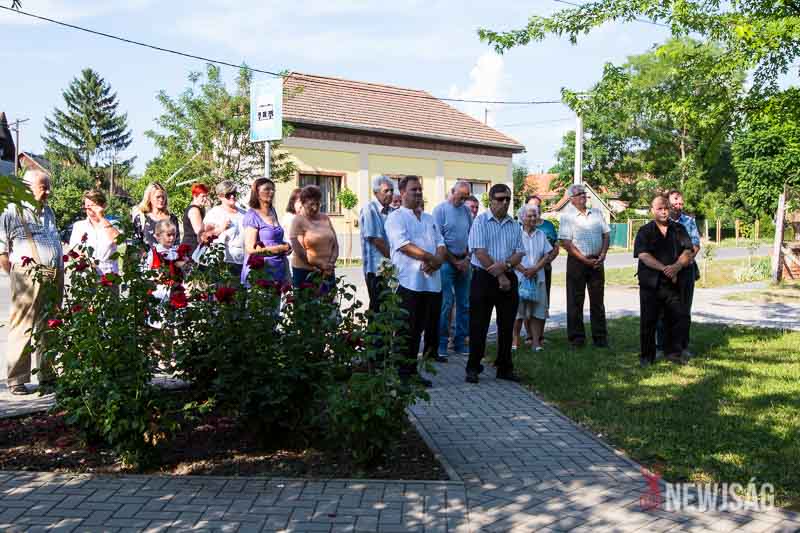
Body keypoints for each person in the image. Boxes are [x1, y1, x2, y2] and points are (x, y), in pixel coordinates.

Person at [0, 170, 64, 395]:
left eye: (48, 187)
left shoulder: (49, 211)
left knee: (51, 325)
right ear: (27, 187)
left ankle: (48, 375)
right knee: (23, 325)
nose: (48, 192)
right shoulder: (12, 211)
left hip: (54, 273)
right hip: (27, 274)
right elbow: (2, 251)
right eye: (44, 187)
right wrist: (17, 274)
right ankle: (17, 380)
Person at [385, 176, 446, 388]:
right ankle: (401, 375)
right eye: (414, 190)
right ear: (402, 193)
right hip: (408, 282)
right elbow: (403, 245)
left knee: (419, 329)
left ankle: (412, 372)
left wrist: (437, 261)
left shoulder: (429, 218)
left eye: (420, 189)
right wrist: (431, 258)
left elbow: (441, 243)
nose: (418, 193)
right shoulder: (396, 217)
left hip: (431, 283)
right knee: (405, 330)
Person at [465, 184, 525, 384]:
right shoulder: (480, 221)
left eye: (508, 199)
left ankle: (504, 367)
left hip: (509, 276)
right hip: (484, 278)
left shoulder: (514, 224)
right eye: (500, 199)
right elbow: (480, 252)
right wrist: (500, 276)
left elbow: (519, 252)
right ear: (490, 200)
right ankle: (473, 367)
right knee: (479, 325)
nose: (505, 202)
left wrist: (506, 265)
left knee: (507, 326)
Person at [634, 195, 694, 367]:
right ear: (652, 210)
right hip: (651, 283)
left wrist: (677, 267)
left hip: (674, 282)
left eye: (666, 208)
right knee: (649, 320)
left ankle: (674, 353)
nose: (663, 211)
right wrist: (666, 269)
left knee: (676, 318)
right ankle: (647, 357)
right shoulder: (645, 231)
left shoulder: (679, 229)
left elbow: (688, 251)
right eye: (659, 208)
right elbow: (643, 255)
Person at [558, 184, 610, 348]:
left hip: (597, 261)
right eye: (579, 194)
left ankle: (600, 338)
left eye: (584, 193)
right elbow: (566, 243)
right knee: (575, 301)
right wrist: (584, 260)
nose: (583, 196)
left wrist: (603, 254)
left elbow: (606, 234)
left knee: (598, 301)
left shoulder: (597, 213)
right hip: (577, 263)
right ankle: (577, 339)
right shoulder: (567, 217)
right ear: (571, 199)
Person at [657, 189, 701, 357]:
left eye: (681, 201)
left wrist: (680, 264)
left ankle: (682, 346)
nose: (678, 204)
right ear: (667, 203)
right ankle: (661, 346)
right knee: (663, 310)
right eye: (675, 201)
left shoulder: (689, 221)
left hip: (686, 271)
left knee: (684, 310)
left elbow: (695, 245)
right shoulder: (661, 222)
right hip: (665, 271)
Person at [432, 181, 472, 360]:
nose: (462, 200)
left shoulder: (466, 211)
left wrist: (466, 259)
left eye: (466, 197)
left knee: (464, 303)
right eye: (460, 196)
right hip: (447, 263)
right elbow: (438, 240)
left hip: (464, 261)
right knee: (446, 303)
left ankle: (460, 341)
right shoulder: (440, 210)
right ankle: (441, 343)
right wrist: (454, 261)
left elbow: (471, 235)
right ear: (452, 191)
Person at [512, 204, 553, 352]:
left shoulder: (541, 234)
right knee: (517, 312)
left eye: (535, 215)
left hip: (537, 278)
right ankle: (515, 342)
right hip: (519, 278)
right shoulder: (515, 234)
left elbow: (547, 255)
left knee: (537, 312)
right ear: (522, 218)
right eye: (529, 216)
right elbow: (509, 254)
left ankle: (536, 343)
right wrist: (524, 270)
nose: (533, 218)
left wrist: (535, 269)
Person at [241, 177, 291, 287]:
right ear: (257, 193)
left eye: (273, 189)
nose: (271, 192)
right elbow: (250, 249)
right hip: (260, 272)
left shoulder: (272, 211)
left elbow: (273, 239)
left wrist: (286, 246)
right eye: (267, 189)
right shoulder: (252, 216)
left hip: (278, 269)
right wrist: (279, 248)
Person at [289, 185, 339, 292]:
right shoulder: (297, 221)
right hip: (305, 272)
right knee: (306, 301)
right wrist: (321, 265)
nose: (315, 208)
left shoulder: (325, 218)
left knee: (328, 301)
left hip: (328, 270)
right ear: (303, 203)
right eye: (311, 204)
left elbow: (335, 243)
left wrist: (330, 264)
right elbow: (300, 251)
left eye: (318, 204)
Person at [525, 194, 559, 346]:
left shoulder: (548, 226)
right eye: (532, 205)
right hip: (525, 272)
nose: (536, 209)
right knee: (526, 300)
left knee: (542, 302)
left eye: (538, 206)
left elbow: (555, 247)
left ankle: (540, 336)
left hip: (544, 269)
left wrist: (546, 261)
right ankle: (529, 336)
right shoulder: (520, 225)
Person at [359, 176, 394, 314]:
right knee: (377, 307)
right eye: (386, 191)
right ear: (376, 192)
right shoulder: (369, 209)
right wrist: (396, 258)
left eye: (392, 190)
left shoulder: (393, 212)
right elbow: (376, 240)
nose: (390, 194)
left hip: (391, 269)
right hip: (376, 270)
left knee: (389, 307)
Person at [68, 189, 121, 275]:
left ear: (103, 206)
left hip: (109, 277)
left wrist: (101, 217)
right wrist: (79, 258)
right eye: (87, 207)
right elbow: (73, 251)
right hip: (87, 277)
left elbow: (118, 240)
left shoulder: (113, 224)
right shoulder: (79, 226)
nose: (90, 210)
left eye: (94, 206)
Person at [203, 180, 246, 281]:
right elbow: (204, 237)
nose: (232, 196)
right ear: (220, 196)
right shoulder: (214, 213)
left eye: (234, 193)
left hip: (242, 261)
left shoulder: (244, 213)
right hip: (223, 262)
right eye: (228, 194)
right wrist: (221, 229)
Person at [132, 182, 180, 248]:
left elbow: (177, 242)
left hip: (170, 254)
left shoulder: (172, 218)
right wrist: (145, 253)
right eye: (158, 197)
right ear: (149, 198)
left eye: (163, 197)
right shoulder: (141, 218)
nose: (161, 199)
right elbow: (136, 243)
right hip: (148, 254)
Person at [180, 183, 211, 252]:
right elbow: (199, 232)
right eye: (203, 196)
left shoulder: (199, 209)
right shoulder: (194, 210)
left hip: (193, 246)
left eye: (206, 196)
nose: (205, 199)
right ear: (195, 196)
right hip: (191, 247)